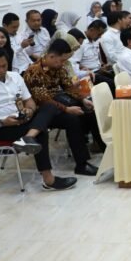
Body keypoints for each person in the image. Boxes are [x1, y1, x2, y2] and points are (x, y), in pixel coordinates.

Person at [0, 47, 78, 190]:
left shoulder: (15, 76)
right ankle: (49, 180)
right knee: (41, 132)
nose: (2, 70)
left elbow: (30, 101)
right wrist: (1, 122)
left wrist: (29, 110)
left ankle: (28, 138)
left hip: (21, 120)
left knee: (50, 107)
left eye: (4, 66)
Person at [24, 39, 103, 169]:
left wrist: (82, 99)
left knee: (91, 110)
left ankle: (104, 148)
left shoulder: (59, 67)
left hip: (60, 101)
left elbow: (68, 87)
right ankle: (81, 164)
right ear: (51, 56)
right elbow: (43, 99)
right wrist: (67, 109)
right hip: (44, 111)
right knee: (73, 120)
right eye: (61, 60)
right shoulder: (34, 71)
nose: (62, 64)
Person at [71, 19, 111, 85]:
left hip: (99, 70)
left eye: (102, 34)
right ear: (91, 30)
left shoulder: (94, 40)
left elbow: (95, 58)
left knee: (117, 78)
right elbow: (75, 62)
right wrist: (83, 68)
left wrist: (102, 66)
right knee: (112, 84)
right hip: (89, 74)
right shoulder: (80, 42)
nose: (100, 36)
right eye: (99, 34)